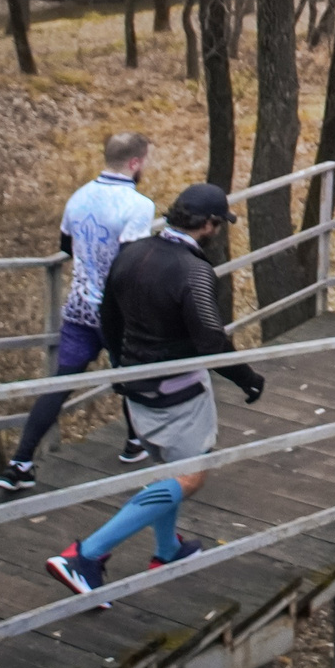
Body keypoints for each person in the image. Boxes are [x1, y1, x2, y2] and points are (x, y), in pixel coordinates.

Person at [47, 185, 265, 597]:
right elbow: (210, 339)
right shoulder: (192, 271)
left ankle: (167, 549)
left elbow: (107, 315)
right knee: (189, 476)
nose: (217, 233)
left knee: (166, 469)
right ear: (208, 225)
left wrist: (120, 365)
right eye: (218, 225)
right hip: (178, 392)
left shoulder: (131, 252)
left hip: (136, 385)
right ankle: (86, 554)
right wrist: (247, 378)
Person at [0, 134, 157, 491]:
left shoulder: (78, 198)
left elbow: (66, 245)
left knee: (61, 382)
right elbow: (132, 262)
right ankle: (136, 444)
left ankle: (20, 462)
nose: (146, 167)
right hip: (117, 312)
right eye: (145, 161)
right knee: (131, 373)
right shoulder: (138, 205)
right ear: (134, 163)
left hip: (80, 307)